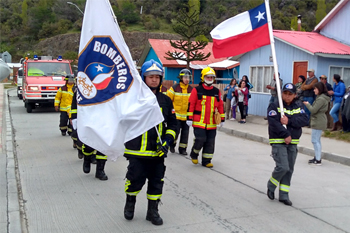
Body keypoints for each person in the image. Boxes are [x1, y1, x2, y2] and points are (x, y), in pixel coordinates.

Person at [123, 59, 177, 226]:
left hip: (158, 152)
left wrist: (167, 141)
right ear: (143, 77)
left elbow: (173, 124)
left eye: (157, 76)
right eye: (150, 76)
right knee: (134, 180)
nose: (154, 79)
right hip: (136, 151)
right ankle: (130, 202)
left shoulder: (166, 101)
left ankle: (152, 211)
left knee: (156, 182)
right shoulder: (133, 99)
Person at [266, 83, 308, 206]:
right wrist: (285, 134)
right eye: (285, 93)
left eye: (290, 94)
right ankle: (271, 184)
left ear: (295, 95)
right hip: (279, 141)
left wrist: (288, 121)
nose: (288, 96)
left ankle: (284, 195)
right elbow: (274, 123)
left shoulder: (298, 105)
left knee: (289, 169)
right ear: (281, 94)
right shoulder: (274, 105)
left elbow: (304, 120)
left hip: (293, 142)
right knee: (283, 167)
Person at [187, 67, 225, 168]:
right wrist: (189, 118)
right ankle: (194, 153)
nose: (209, 78)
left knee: (210, 142)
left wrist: (222, 118)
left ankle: (206, 160)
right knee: (200, 139)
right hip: (199, 121)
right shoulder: (197, 90)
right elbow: (191, 104)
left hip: (212, 123)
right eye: (207, 77)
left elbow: (220, 105)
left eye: (211, 77)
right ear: (203, 78)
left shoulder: (217, 91)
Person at [167, 69, 193, 155]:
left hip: (186, 117)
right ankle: (172, 145)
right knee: (176, 132)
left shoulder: (191, 90)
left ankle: (183, 149)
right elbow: (168, 101)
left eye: (188, 77)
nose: (187, 79)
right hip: (176, 116)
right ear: (181, 78)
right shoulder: (174, 88)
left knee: (185, 134)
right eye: (185, 77)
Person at [303, 82, 330, 165]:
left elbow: (313, 110)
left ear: (319, 89)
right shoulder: (320, 97)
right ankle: (317, 157)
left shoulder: (321, 99)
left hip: (319, 120)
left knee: (315, 140)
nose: (314, 90)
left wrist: (307, 105)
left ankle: (318, 159)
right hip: (318, 120)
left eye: (315, 89)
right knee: (316, 140)